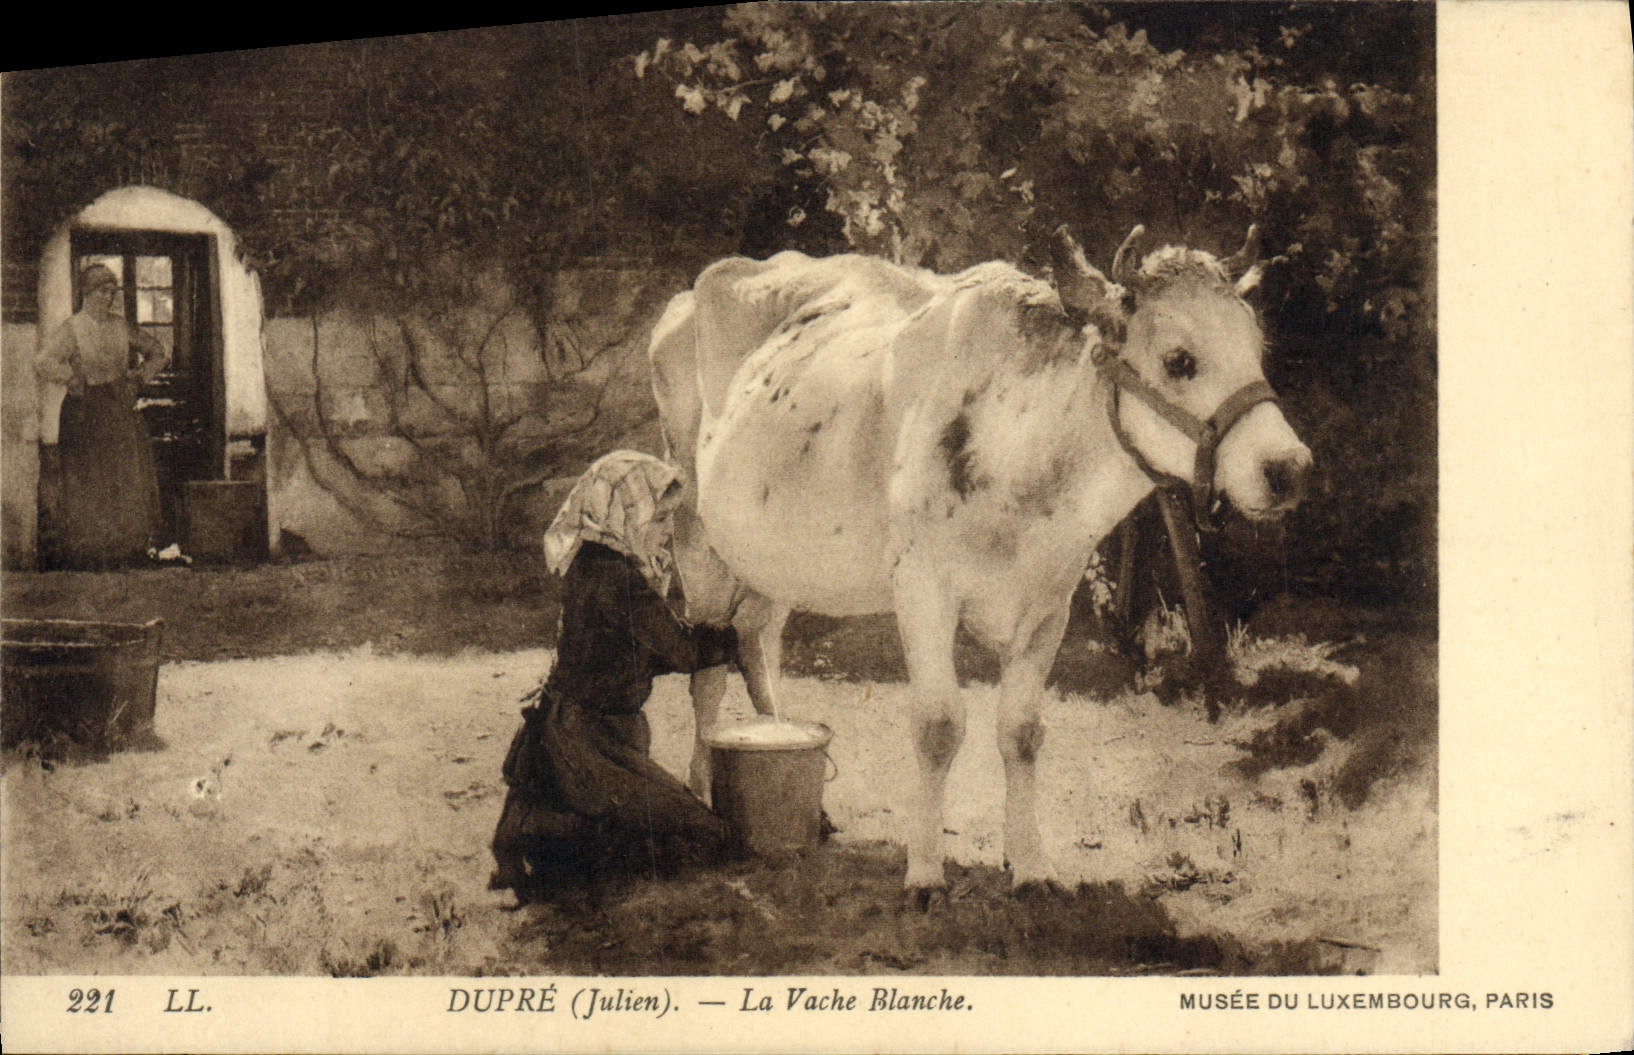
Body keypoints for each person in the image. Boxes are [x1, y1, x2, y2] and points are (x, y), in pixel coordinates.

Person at [490, 451, 739, 905]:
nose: (666, 531)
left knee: (664, 829)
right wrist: (729, 636)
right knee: (705, 837)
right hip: (586, 741)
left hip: (586, 729)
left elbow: (633, 652)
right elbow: (681, 651)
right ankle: (556, 842)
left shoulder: (593, 562)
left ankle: (555, 837)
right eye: (659, 518)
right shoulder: (617, 578)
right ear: (625, 512)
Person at [35, 264, 170, 568]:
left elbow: (158, 352)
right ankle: (89, 552)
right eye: (101, 291)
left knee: (122, 478)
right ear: (86, 292)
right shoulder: (72, 328)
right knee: (87, 479)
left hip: (117, 410)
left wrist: (138, 379)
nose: (107, 297)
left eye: (111, 291)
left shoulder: (121, 326)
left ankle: (126, 549)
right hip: (83, 414)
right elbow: (43, 362)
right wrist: (70, 377)